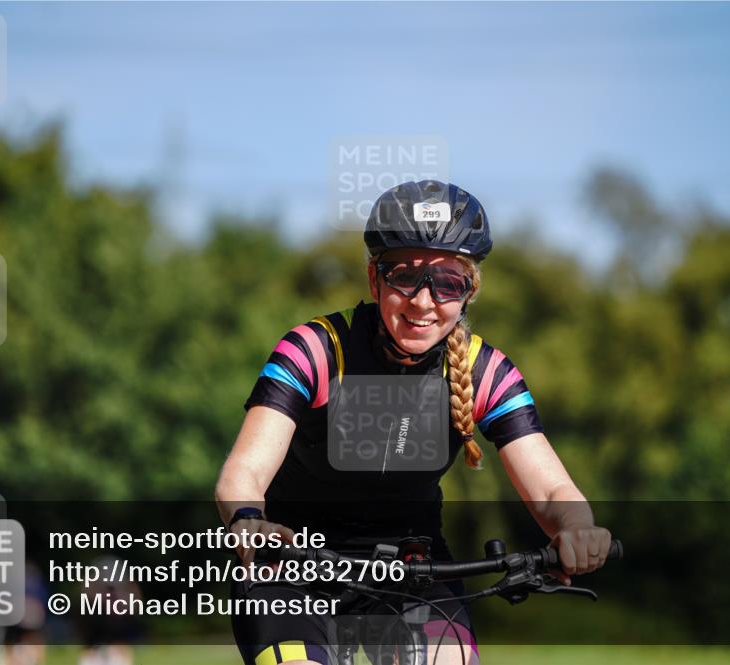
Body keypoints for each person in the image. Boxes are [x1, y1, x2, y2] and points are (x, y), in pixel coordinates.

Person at [215, 180, 612, 665]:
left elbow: (552, 492)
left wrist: (578, 529)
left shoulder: (487, 372)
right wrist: (248, 520)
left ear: (469, 292)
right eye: (404, 276)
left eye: (447, 282)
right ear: (373, 279)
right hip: (293, 564)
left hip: (414, 568)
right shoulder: (316, 350)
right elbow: (245, 471)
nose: (424, 301)